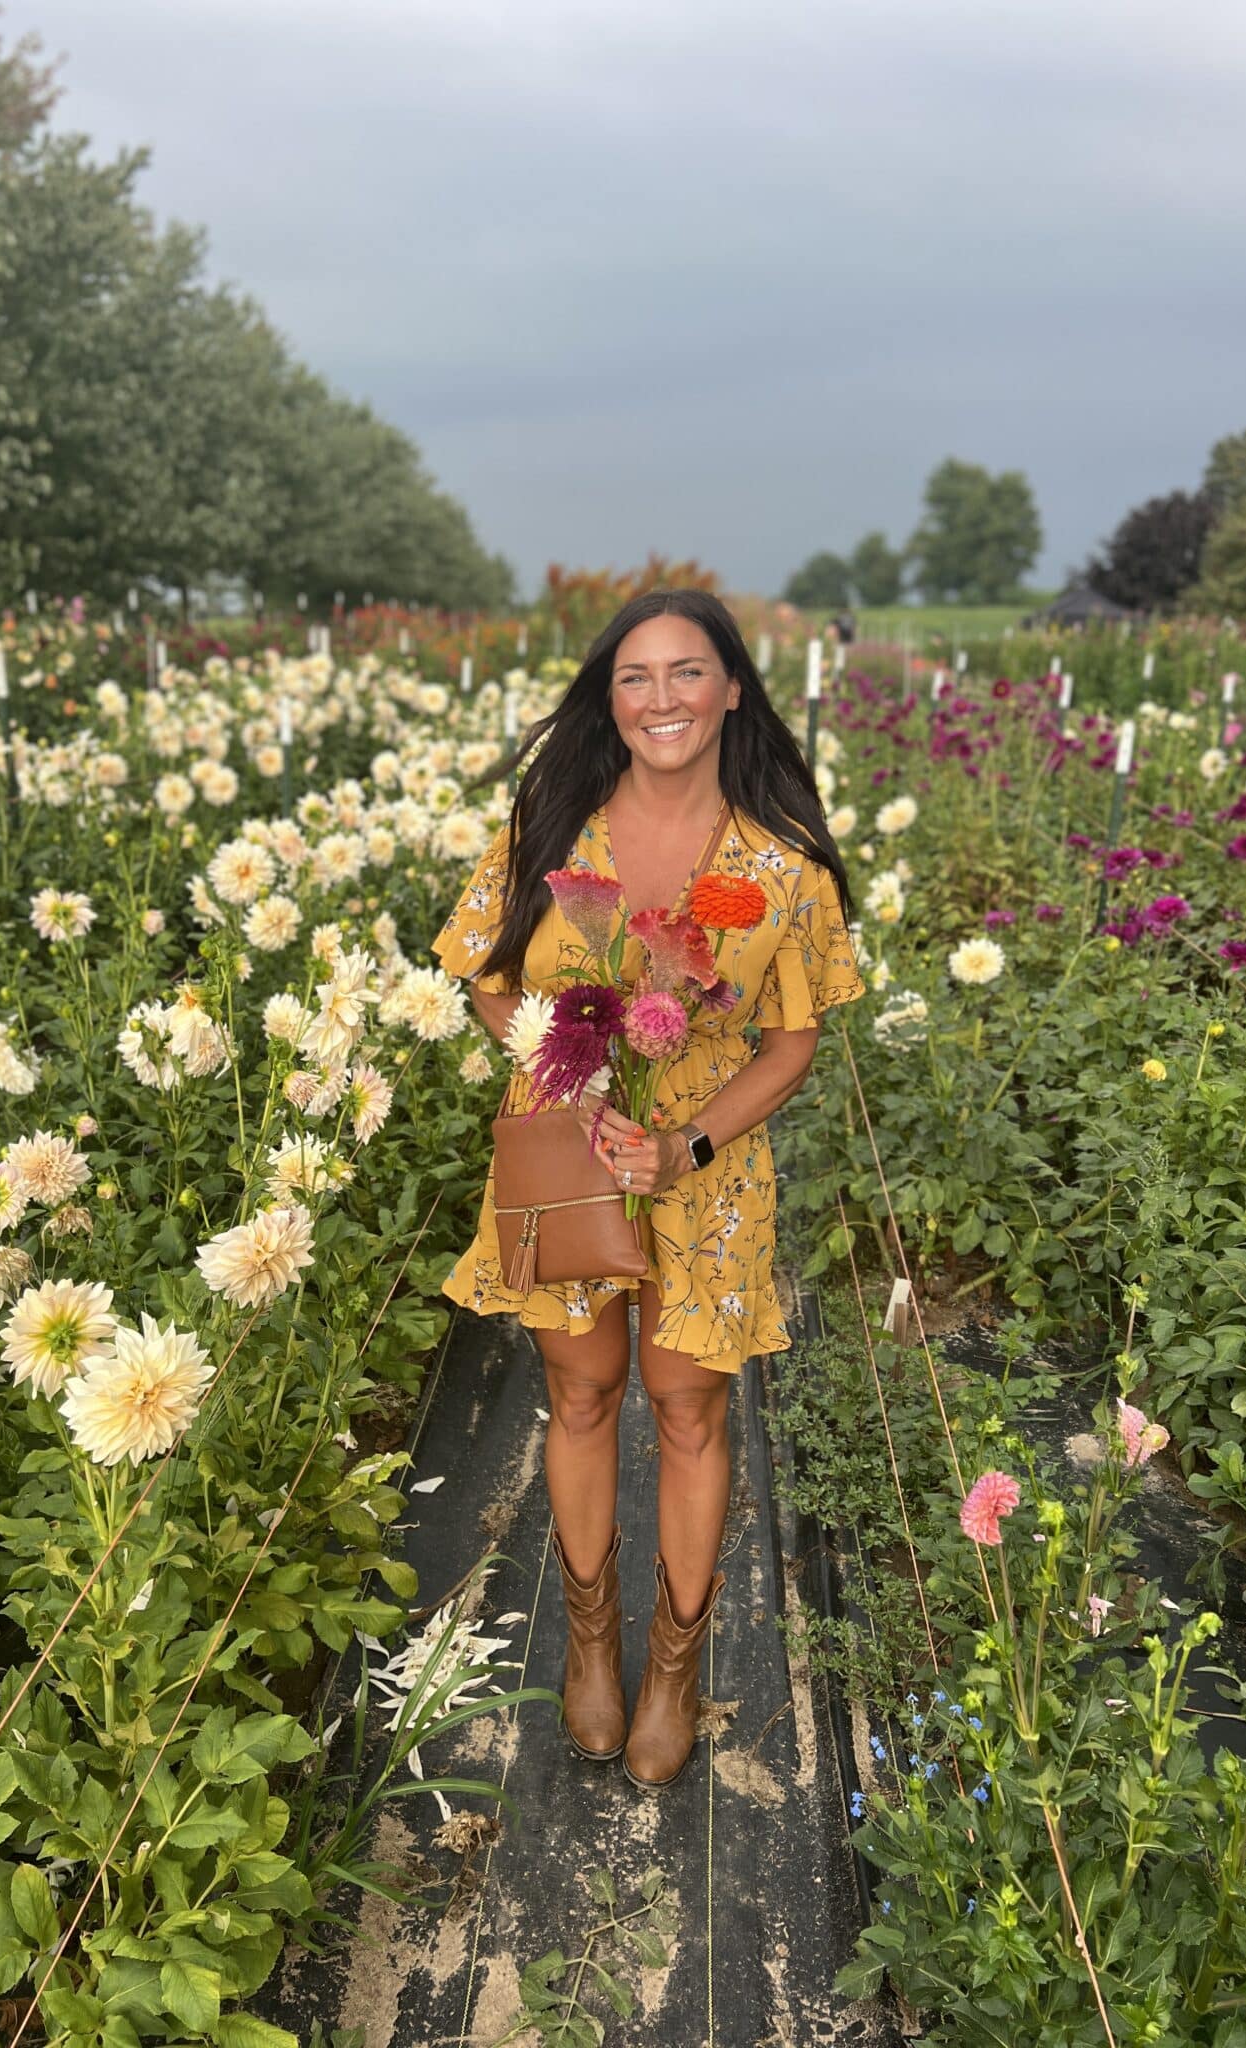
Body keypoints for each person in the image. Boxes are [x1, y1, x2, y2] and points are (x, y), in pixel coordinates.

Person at [430, 588, 866, 1789]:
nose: (661, 697)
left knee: (689, 1411)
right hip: (566, 1155)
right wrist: (566, 1078)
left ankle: (673, 1663)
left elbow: (792, 1045)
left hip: (707, 1177)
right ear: (608, 698)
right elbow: (486, 976)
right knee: (579, 1399)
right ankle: (590, 1641)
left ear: (733, 688)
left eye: (687, 673)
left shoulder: (784, 868)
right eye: (635, 676)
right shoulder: (550, 825)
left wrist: (685, 1150)